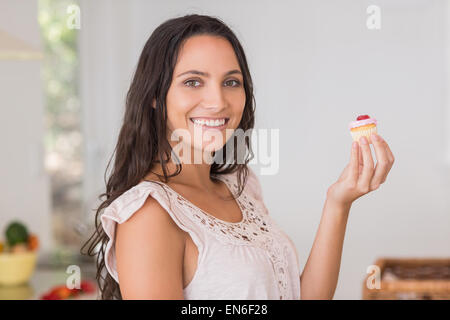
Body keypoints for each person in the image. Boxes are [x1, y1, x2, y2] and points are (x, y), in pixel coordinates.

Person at [81, 14, 395, 300]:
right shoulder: (148, 213)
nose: (217, 101)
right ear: (153, 95)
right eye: (193, 82)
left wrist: (338, 202)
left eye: (231, 82)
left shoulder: (241, 186)